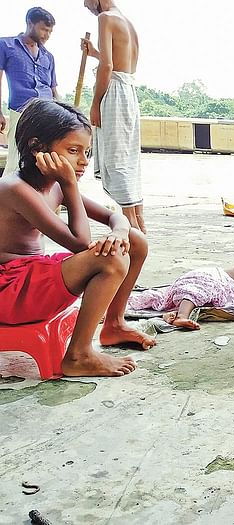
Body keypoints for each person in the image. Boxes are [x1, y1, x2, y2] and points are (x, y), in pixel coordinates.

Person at [0, 99, 156, 377]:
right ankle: (79, 355)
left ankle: (114, 324)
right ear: (38, 148)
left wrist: (119, 231)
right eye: (73, 151)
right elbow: (80, 243)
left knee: (134, 240)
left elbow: (114, 217)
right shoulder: (14, 188)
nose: (83, 161)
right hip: (9, 290)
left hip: (30, 278)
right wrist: (69, 183)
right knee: (111, 260)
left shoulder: (53, 186)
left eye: (86, 152)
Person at [81, 0, 145, 233]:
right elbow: (124, 64)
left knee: (117, 161)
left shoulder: (105, 18)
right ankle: (138, 223)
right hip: (128, 92)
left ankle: (132, 228)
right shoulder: (127, 21)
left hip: (115, 93)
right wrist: (95, 53)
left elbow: (108, 67)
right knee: (128, 160)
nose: (85, 5)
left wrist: (95, 103)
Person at [128, 255, 234, 330]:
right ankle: (181, 316)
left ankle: (173, 315)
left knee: (204, 303)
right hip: (212, 279)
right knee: (197, 292)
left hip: (220, 292)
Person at [0, 7, 58, 177]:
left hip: (47, 115)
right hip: (21, 113)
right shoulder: (6, 46)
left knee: (43, 165)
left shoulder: (48, 56)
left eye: (50, 31)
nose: (46, 35)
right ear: (29, 23)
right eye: (43, 29)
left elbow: (53, 89)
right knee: (16, 162)